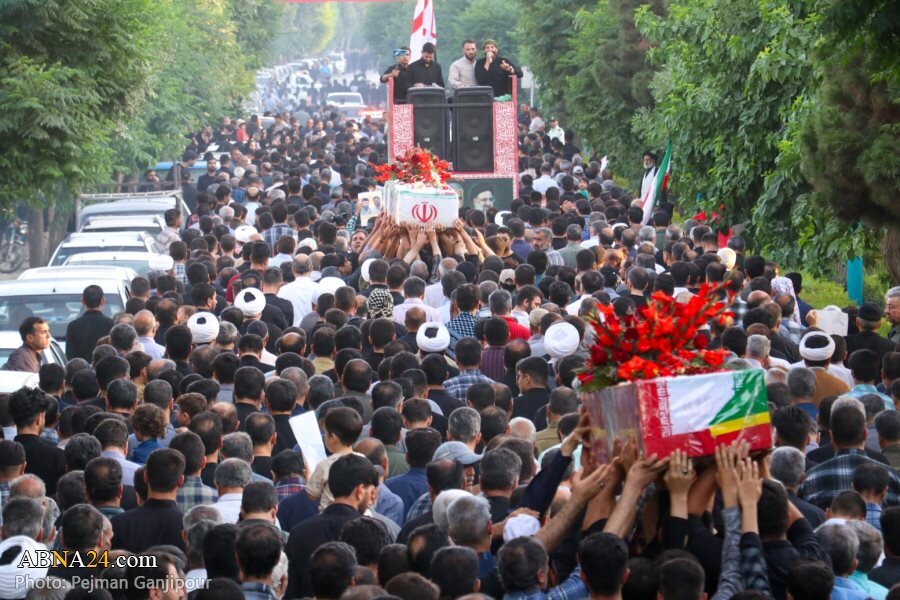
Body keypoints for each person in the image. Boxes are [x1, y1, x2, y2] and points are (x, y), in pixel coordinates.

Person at [65, 285, 114, 362]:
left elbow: (70, 355)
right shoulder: (111, 325)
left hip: (81, 368)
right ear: (102, 301)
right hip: (106, 367)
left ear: (83, 301)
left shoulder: (73, 326)